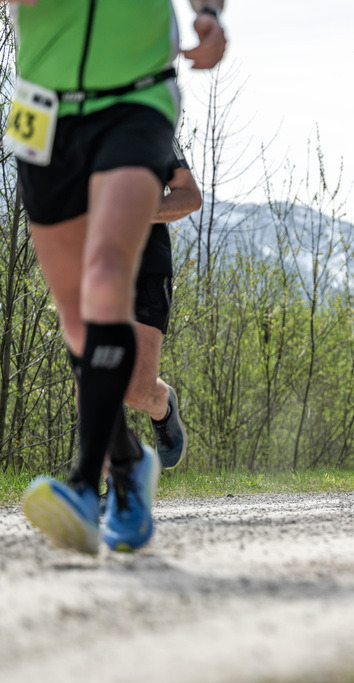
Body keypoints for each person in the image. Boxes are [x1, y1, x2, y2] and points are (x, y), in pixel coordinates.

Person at [14, 0, 227, 555]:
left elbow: (188, 197)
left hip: (138, 96)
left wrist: (208, 14)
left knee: (107, 273)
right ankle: (131, 466)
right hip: (40, 111)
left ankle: (86, 487)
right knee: (78, 324)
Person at [124, 139, 200, 469]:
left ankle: (161, 403)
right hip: (92, 271)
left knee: (136, 392)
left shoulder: (149, 123)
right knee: (92, 380)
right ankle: (112, 485)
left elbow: (189, 195)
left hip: (147, 270)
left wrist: (134, 213)